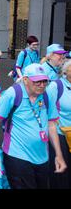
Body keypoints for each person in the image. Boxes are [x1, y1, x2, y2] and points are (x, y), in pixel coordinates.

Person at [0, 63, 66, 189]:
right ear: (25, 80)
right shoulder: (13, 94)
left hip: (42, 157)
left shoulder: (47, 95)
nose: (42, 85)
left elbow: (51, 124)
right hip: (17, 154)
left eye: (45, 81)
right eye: (37, 82)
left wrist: (58, 154)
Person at [47, 59, 71, 188]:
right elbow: (46, 110)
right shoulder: (56, 86)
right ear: (65, 72)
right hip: (60, 133)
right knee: (61, 172)